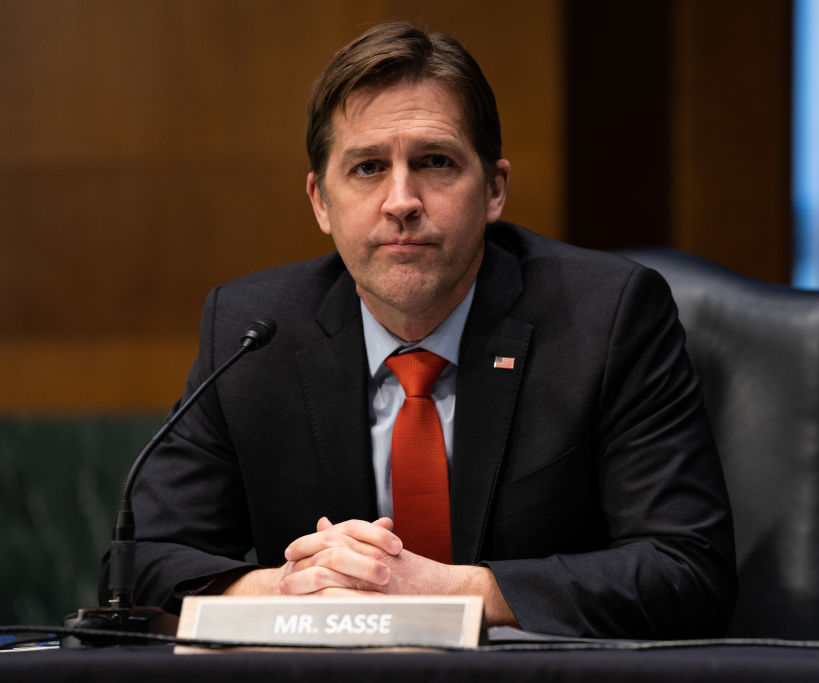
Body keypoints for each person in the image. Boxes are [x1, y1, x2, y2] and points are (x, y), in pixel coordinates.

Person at [115, 21, 736, 639]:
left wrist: (454, 590)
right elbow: (140, 562)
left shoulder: (607, 318)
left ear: (494, 189)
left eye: (435, 162)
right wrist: (285, 588)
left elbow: (687, 570)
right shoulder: (254, 332)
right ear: (320, 202)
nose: (402, 200)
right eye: (367, 168)